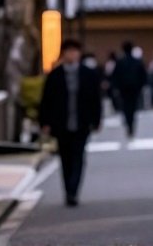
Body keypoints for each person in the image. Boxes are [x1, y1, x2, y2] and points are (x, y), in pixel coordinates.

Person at [36, 39, 103, 207]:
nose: (72, 55)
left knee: (79, 156)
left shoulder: (89, 74)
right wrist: (45, 122)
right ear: (63, 54)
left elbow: (96, 99)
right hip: (61, 123)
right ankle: (68, 189)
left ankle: (73, 190)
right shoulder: (55, 75)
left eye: (75, 51)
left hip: (82, 122)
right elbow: (46, 101)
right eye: (69, 51)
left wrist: (97, 120)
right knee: (65, 157)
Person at [110, 40, 148, 135]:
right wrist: (142, 86)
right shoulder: (137, 62)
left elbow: (115, 76)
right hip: (135, 88)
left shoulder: (120, 62)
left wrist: (115, 87)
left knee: (126, 106)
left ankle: (128, 123)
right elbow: (143, 75)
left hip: (123, 88)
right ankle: (131, 123)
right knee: (133, 106)